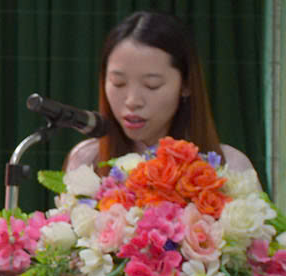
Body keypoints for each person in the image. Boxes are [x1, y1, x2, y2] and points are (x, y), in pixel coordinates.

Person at [65, 9, 256, 178]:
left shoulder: (230, 168)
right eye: (118, 83)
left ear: (186, 84)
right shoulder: (86, 161)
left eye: (152, 85)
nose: (132, 101)